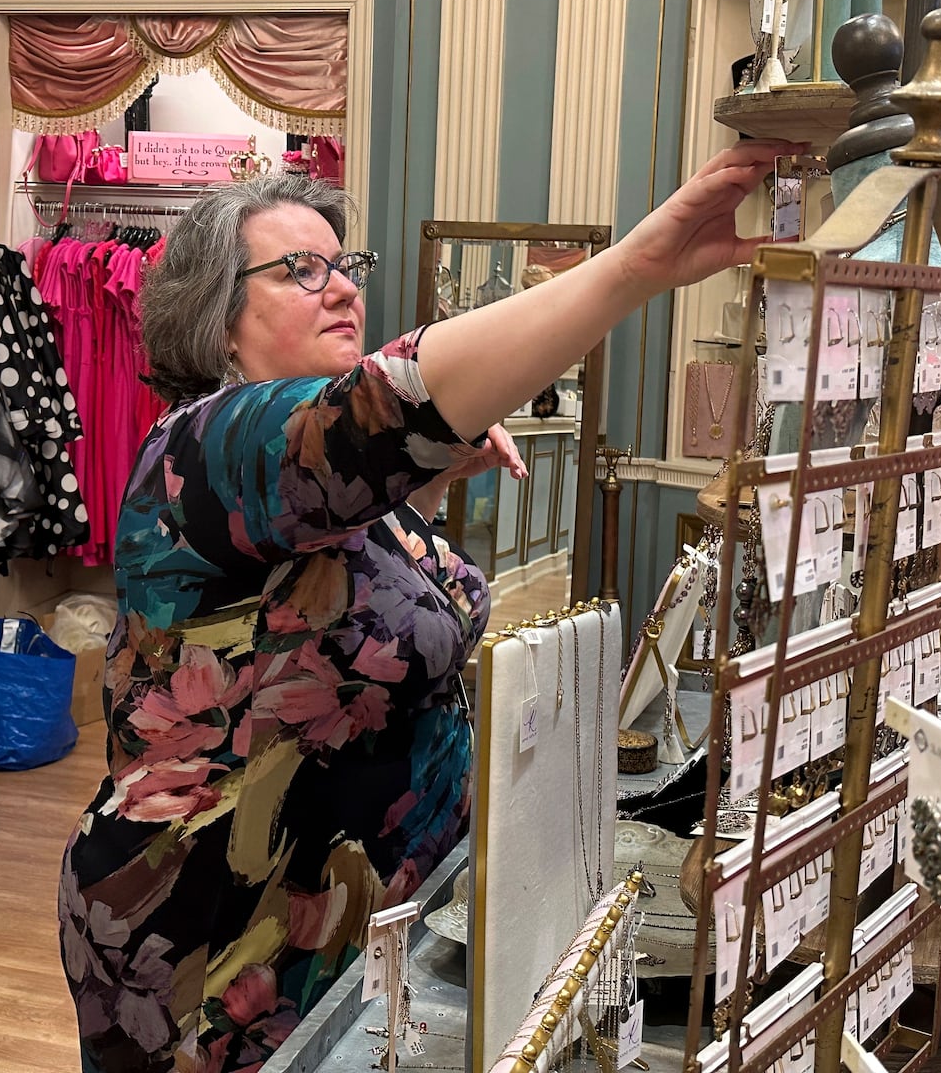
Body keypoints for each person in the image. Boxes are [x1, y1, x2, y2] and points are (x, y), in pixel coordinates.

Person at [59, 139, 797, 1072]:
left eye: (344, 265)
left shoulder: (314, 487)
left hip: (361, 912)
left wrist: (430, 485)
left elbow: (338, 604)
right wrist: (637, 266)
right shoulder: (207, 449)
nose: (341, 289)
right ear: (218, 323)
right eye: (300, 269)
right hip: (217, 934)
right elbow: (389, 402)